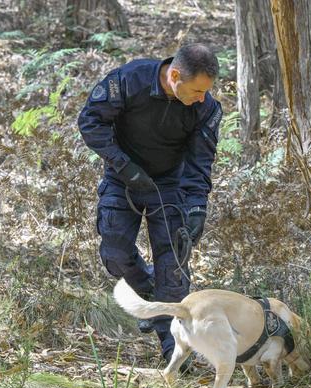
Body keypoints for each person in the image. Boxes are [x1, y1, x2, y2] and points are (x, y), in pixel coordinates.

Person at [78, 44, 222, 363]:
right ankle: (147, 293)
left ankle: (174, 352)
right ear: (174, 76)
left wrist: (197, 207)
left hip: (171, 186)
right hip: (123, 177)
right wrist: (124, 166)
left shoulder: (206, 108)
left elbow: (201, 162)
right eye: (197, 90)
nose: (202, 97)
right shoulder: (130, 80)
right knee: (115, 252)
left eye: (206, 91)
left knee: (173, 269)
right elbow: (90, 121)